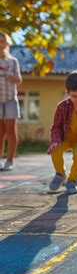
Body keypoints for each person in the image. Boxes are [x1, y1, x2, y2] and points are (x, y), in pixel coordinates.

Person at [0, 31, 22, 171]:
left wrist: (10, 77)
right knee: (0, 132)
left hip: (10, 99)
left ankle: (10, 161)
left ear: (7, 44)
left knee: (10, 131)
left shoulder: (13, 61)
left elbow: (19, 80)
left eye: (2, 41)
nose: (0, 44)